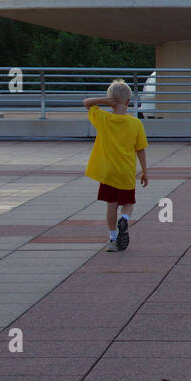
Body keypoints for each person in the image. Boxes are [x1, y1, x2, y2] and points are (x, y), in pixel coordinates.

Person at [82, 80, 149, 252]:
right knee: (128, 202)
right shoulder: (136, 124)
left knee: (111, 205)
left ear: (111, 100)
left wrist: (105, 101)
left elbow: (87, 103)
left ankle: (112, 239)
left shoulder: (103, 119)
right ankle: (125, 219)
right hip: (126, 171)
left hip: (108, 172)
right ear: (128, 102)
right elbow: (140, 150)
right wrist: (145, 171)